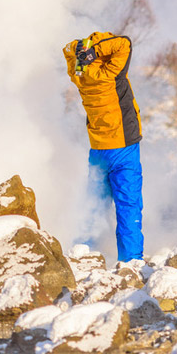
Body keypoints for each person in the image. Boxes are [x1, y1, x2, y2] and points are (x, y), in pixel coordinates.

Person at [63, 31, 143, 262]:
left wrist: (81, 49)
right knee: (128, 206)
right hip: (123, 148)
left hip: (98, 150)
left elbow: (67, 49)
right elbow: (124, 43)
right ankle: (131, 261)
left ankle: (84, 254)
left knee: (94, 206)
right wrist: (96, 51)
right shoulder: (111, 74)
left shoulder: (80, 75)